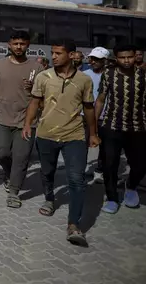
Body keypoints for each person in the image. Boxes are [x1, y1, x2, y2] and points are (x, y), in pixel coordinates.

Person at [22, 38, 99, 247]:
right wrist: (28, 124)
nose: (54, 56)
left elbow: (89, 108)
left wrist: (92, 133)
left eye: (58, 53)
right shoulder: (43, 77)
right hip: (46, 134)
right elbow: (35, 102)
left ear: (72, 55)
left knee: (77, 179)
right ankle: (49, 198)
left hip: (74, 136)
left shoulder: (84, 80)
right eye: (52, 53)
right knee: (47, 172)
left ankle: (74, 224)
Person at [0, 31, 43, 209]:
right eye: (15, 43)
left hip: (27, 121)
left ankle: (14, 191)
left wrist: (34, 88)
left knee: (21, 157)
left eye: (22, 44)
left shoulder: (37, 69)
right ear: (9, 44)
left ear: (28, 45)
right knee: (1, 153)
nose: (18, 47)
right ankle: (9, 174)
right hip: (2, 119)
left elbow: (44, 96)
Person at [95, 44, 146, 214]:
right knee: (109, 165)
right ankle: (111, 198)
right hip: (111, 127)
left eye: (130, 57)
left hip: (138, 128)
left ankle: (131, 186)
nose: (126, 61)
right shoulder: (108, 74)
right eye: (122, 57)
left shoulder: (143, 75)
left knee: (140, 164)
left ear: (136, 56)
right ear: (116, 58)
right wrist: (94, 125)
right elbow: (101, 100)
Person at [83, 47, 109, 184]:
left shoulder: (111, 75)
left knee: (104, 147)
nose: (93, 62)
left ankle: (99, 171)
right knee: (82, 145)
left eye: (97, 59)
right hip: (84, 116)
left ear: (105, 60)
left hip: (105, 117)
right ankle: (80, 170)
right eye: (92, 59)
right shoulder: (84, 74)